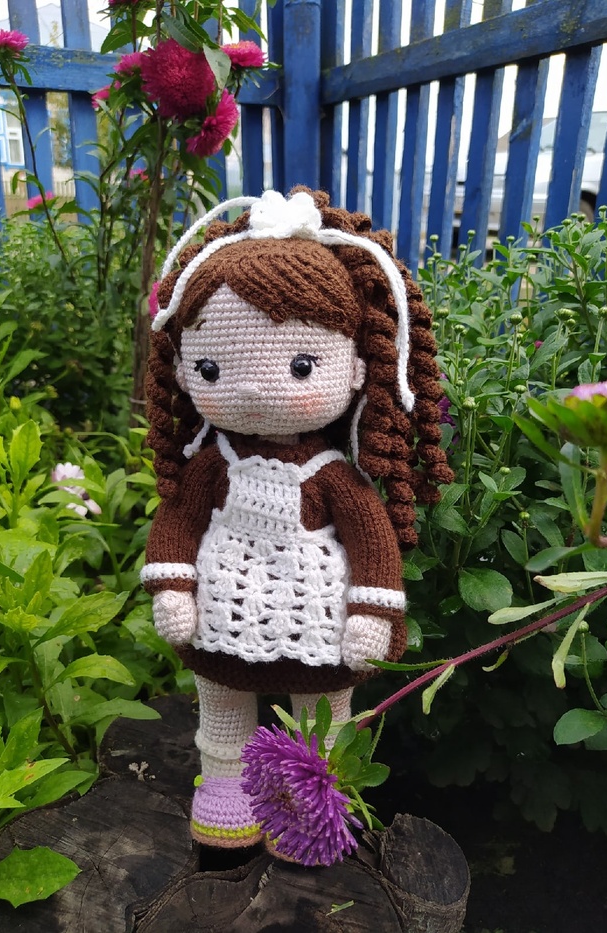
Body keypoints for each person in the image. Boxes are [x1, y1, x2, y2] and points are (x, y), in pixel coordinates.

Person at [141, 188, 453, 852]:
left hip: (317, 618)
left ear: (355, 367)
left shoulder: (335, 476)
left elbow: (372, 542)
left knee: (323, 716)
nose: (254, 388)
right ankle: (226, 784)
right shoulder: (211, 464)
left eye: (301, 366)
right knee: (222, 706)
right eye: (213, 368)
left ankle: (313, 802)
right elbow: (179, 523)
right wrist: (172, 585)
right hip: (223, 613)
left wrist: (371, 612)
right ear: (184, 370)